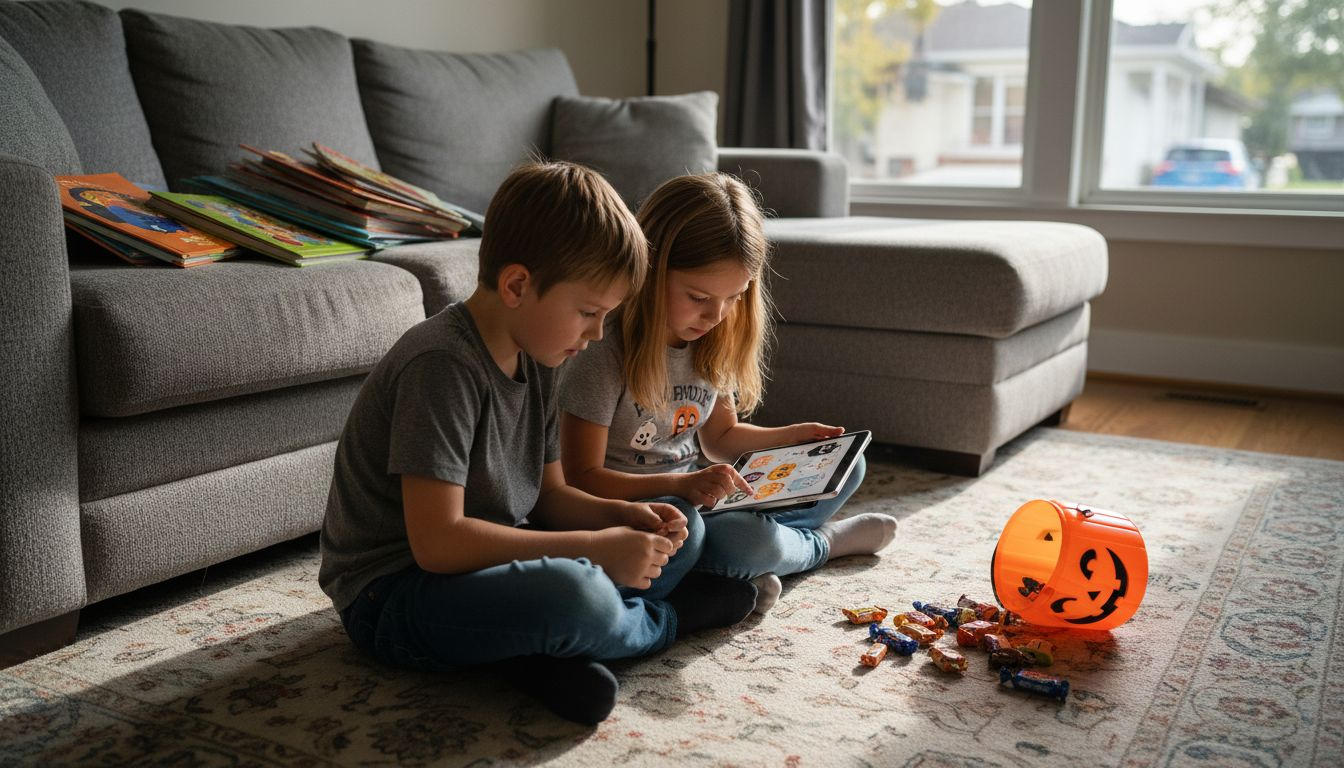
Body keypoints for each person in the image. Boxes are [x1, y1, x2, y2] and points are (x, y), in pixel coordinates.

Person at [318, 162, 758, 726]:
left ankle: (536, 657)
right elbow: (437, 544)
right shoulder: (442, 366)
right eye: (590, 312)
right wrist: (591, 549)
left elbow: (550, 495)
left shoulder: (542, 353)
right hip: (394, 595)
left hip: (484, 565)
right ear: (518, 285)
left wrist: (625, 513)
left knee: (680, 523)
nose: (598, 334)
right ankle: (663, 622)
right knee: (577, 594)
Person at [559, 173, 898, 615]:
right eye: (699, 296)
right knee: (744, 540)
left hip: (700, 496)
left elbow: (720, 437)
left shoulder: (709, 341)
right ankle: (822, 545)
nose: (716, 315)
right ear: (650, 268)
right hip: (641, 512)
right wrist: (681, 484)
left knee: (846, 465)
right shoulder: (604, 349)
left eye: (734, 297)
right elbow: (581, 477)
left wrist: (790, 438)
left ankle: (753, 558)